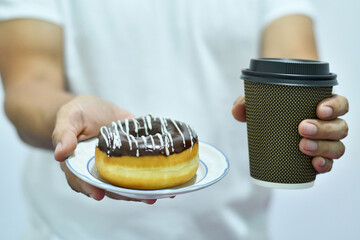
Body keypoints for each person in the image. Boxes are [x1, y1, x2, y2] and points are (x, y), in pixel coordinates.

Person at [0, 0, 349, 239]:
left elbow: (295, 62)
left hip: (233, 232)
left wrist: (311, 116)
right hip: (68, 231)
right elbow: (29, 84)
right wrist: (66, 116)